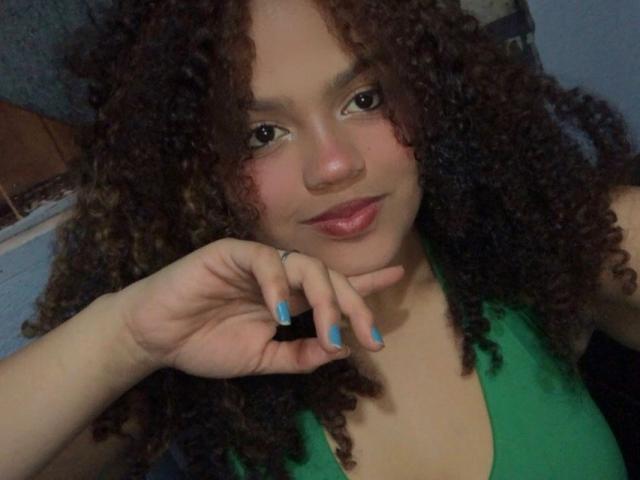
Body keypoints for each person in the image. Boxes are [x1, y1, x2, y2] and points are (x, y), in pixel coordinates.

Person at [1, 0, 639, 478]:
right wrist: (128, 337)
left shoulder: (550, 242)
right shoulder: (180, 369)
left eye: (365, 98)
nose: (333, 165)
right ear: (196, 170)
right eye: (261, 135)